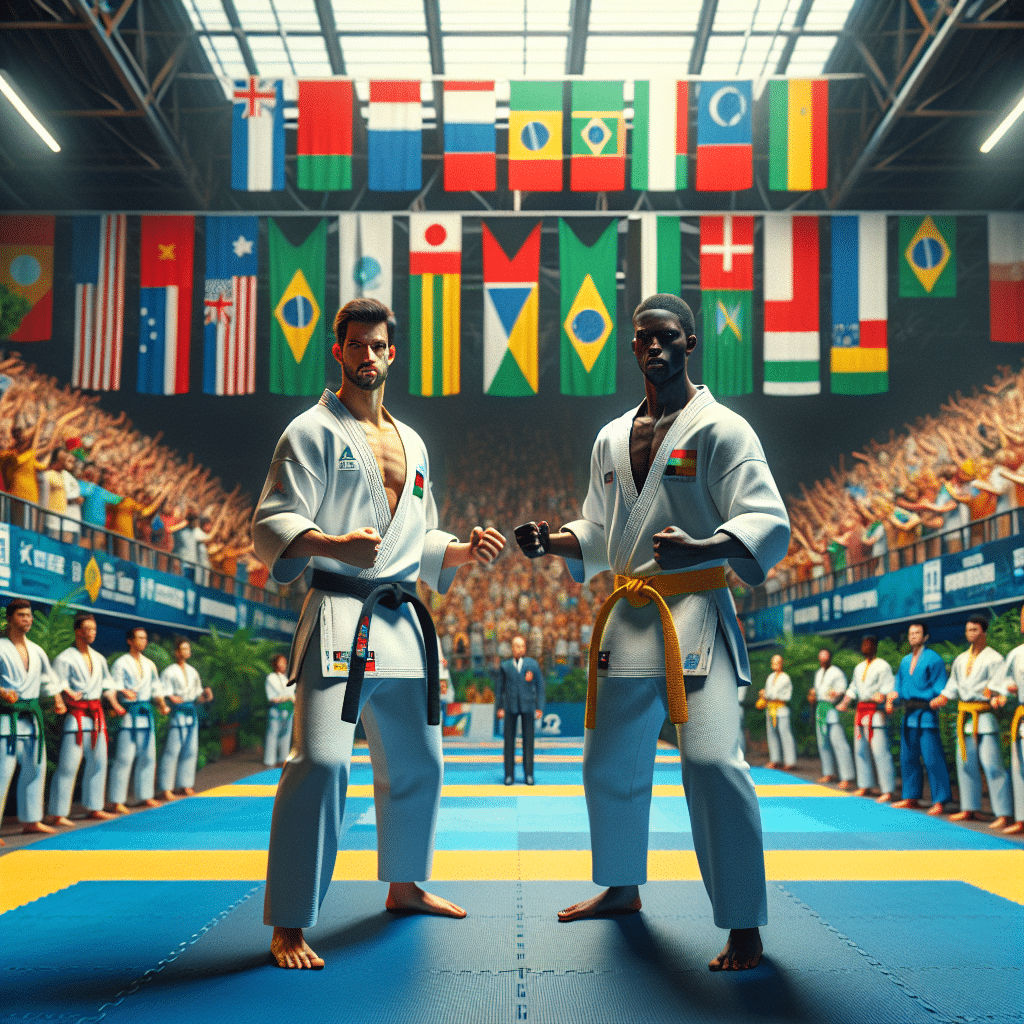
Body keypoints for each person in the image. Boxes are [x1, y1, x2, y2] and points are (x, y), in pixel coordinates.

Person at [515, 293, 789, 971]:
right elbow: (603, 532)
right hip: (627, 620)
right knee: (608, 765)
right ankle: (621, 887)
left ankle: (744, 922)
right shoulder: (610, 438)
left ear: (691, 343)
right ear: (633, 348)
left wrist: (703, 548)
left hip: (695, 616)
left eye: (668, 338)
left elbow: (767, 518)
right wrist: (552, 541)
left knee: (714, 765)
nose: (655, 348)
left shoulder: (724, 429)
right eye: (644, 340)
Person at [251, 297, 505, 970]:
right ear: (337, 352)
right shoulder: (307, 432)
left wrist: (460, 550)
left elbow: (419, 539)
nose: (367, 355)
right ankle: (289, 921)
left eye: (378, 346)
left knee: (420, 764)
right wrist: (333, 541)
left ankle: (404, 885)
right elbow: (271, 522)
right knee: (321, 765)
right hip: (338, 614)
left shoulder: (414, 442)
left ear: (393, 353)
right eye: (355, 345)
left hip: (404, 621)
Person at [931, 615, 1011, 827]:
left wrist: (996, 695)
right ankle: (969, 808)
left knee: (992, 765)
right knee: (965, 764)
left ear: (983, 632)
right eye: (968, 630)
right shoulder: (960, 659)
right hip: (964, 717)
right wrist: (944, 696)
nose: (970, 634)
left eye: (974, 630)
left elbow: (999, 683)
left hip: (983, 716)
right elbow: (953, 685)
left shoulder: (994, 658)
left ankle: (1004, 813)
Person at [45, 612, 116, 826]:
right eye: (88, 629)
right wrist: (66, 693)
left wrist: (114, 702)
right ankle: (57, 813)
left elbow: (108, 685)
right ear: (78, 631)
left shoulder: (99, 658)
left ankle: (94, 807)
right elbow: (56, 683)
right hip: (76, 717)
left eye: (94, 629)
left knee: (98, 763)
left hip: (96, 717)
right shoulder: (65, 658)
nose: (92, 633)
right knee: (68, 765)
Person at [0, 598, 62, 840]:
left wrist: (57, 698)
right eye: (22, 615)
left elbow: (48, 679)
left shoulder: (37, 650)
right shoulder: (1, 647)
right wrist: (2, 692)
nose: (28, 619)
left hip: (32, 720)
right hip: (8, 719)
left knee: (35, 769)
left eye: (29, 615)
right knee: (2, 773)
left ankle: (31, 820)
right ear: (10, 618)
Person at [886, 622, 951, 815]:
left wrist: (939, 697)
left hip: (926, 714)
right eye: (911, 633)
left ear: (925, 637)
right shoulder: (905, 661)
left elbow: (941, 687)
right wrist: (892, 696)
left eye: (917, 633)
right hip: (908, 715)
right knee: (908, 758)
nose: (913, 636)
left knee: (932, 759)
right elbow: (898, 685)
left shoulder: (933, 659)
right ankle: (911, 796)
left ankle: (940, 800)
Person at [106, 626, 170, 813]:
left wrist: (162, 704)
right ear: (130, 641)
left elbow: (156, 688)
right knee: (124, 758)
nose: (143, 641)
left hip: (145, 713)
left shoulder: (150, 664)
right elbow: (112, 686)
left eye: (145, 638)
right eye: (139, 638)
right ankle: (117, 800)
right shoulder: (121, 663)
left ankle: (145, 796)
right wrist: (121, 693)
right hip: (129, 714)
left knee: (148, 757)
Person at [837, 636, 896, 802]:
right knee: (860, 750)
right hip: (861, 711)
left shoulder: (882, 666)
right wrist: (844, 702)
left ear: (875, 646)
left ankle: (887, 789)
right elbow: (853, 688)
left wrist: (883, 695)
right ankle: (864, 785)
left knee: (880, 751)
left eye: (868, 644)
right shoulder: (859, 667)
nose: (865, 647)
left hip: (875, 712)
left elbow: (889, 686)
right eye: (863, 644)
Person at [158, 638, 212, 800]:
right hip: (177, 713)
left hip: (191, 712)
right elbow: (163, 692)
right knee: (172, 750)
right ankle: (166, 788)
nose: (187, 651)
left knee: (190, 749)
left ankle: (185, 784)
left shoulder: (193, 671)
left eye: (188, 649)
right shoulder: (169, 671)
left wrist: (206, 695)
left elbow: (198, 697)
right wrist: (170, 697)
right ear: (176, 652)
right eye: (183, 649)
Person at [495, 635, 545, 785]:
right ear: (512, 648)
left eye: (522, 646)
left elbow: (541, 688)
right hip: (510, 707)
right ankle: (509, 775)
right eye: (517, 646)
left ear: (525, 648)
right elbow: (499, 690)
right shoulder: (505, 666)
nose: (520, 648)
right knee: (508, 743)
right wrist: (499, 708)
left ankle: (529, 774)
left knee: (528, 742)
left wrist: (539, 707)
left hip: (528, 706)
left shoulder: (533, 665)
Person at [993, 606, 1024, 834]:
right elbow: (1004, 681)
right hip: (1022, 717)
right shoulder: (1016, 653)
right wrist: (1004, 693)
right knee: (1019, 768)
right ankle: (1021, 819)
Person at [807, 649, 855, 787]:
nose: (823, 660)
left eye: (825, 657)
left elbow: (842, 689)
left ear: (830, 658)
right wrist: (813, 696)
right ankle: (829, 773)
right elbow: (817, 691)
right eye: (821, 657)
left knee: (838, 742)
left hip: (832, 709)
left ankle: (847, 777)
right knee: (823, 743)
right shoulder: (819, 673)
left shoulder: (837, 672)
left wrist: (837, 693)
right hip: (820, 708)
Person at [756, 654, 795, 770]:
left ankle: (790, 762)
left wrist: (768, 695)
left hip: (781, 707)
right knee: (771, 734)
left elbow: (787, 696)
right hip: (770, 708)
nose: (775, 664)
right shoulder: (770, 677)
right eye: (773, 662)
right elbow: (768, 692)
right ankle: (775, 760)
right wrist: (764, 695)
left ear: (782, 663)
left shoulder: (785, 678)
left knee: (785, 734)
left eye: (778, 662)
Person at [263, 653, 293, 768]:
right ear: (275, 663)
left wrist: (291, 698)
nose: (284, 664)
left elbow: (290, 693)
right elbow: (281, 692)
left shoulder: (286, 677)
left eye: (285, 662)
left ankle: (283, 758)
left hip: (288, 709)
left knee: (286, 735)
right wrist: (289, 697)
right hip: (276, 708)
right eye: (281, 661)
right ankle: (270, 760)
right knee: (273, 734)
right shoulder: (271, 677)